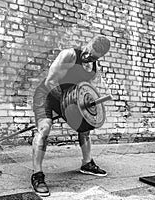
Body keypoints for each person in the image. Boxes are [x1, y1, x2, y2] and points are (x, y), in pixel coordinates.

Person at [31, 35, 111, 197]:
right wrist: (70, 105)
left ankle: (87, 163)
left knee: (85, 127)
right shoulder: (69, 55)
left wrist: (85, 104)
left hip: (69, 100)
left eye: (93, 57)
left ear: (100, 57)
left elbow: (84, 88)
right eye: (88, 52)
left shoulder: (93, 69)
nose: (88, 57)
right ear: (87, 44)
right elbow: (50, 81)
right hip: (47, 94)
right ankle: (37, 175)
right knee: (44, 128)